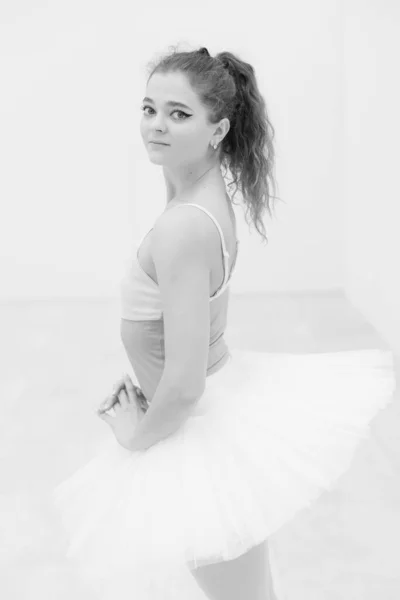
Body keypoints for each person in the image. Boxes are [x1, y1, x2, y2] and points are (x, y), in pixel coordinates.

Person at [52, 46, 396, 600]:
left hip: (194, 428)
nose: (156, 126)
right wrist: (149, 376)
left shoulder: (184, 228)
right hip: (212, 408)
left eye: (178, 113)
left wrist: (135, 439)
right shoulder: (198, 201)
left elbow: (185, 383)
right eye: (148, 108)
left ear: (219, 130)